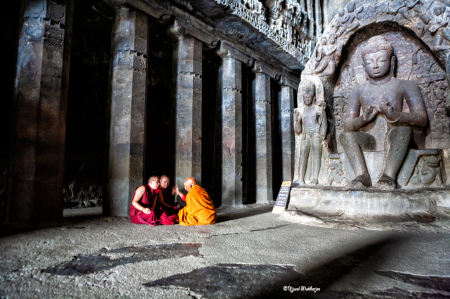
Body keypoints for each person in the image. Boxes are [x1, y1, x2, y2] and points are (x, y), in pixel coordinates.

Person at [340, 35, 427, 190]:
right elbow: (348, 126)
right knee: (346, 136)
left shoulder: (405, 85)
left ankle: (388, 177)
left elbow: (422, 119)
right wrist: (363, 119)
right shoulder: (358, 91)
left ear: (392, 62)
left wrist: (396, 116)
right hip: (369, 139)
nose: (375, 65)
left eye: (381, 60)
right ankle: (362, 175)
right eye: (369, 62)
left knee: (403, 131)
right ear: (363, 66)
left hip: (394, 135)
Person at [293, 79, 327, 185]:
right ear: (302, 98)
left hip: (316, 133)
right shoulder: (300, 110)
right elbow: (297, 130)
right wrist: (296, 119)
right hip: (305, 134)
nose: (307, 99)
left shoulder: (318, 109)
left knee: (316, 155)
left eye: (309, 97)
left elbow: (324, 123)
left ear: (313, 98)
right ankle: (300, 178)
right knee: (303, 155)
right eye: (305, 97)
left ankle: (315, 177)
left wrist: (322, 135)